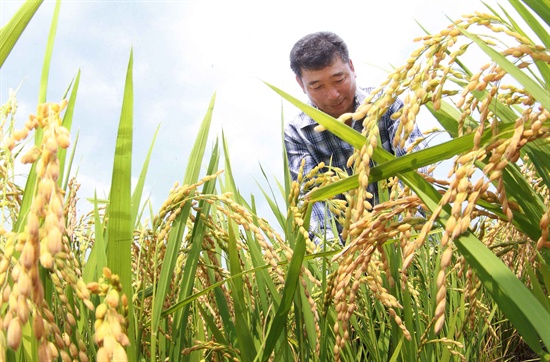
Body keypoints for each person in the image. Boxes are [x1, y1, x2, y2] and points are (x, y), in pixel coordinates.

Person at [284, 31, 426, 243]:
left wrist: (399, 234)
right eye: (317, 86)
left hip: (409, 236)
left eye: (338, 79)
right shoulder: (298, 133)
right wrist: (338, 259)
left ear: (351, 67)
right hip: (349, 254)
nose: (333, 94)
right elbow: (313, 204)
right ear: (300, 84)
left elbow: (416, 174)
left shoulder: (387, 106)